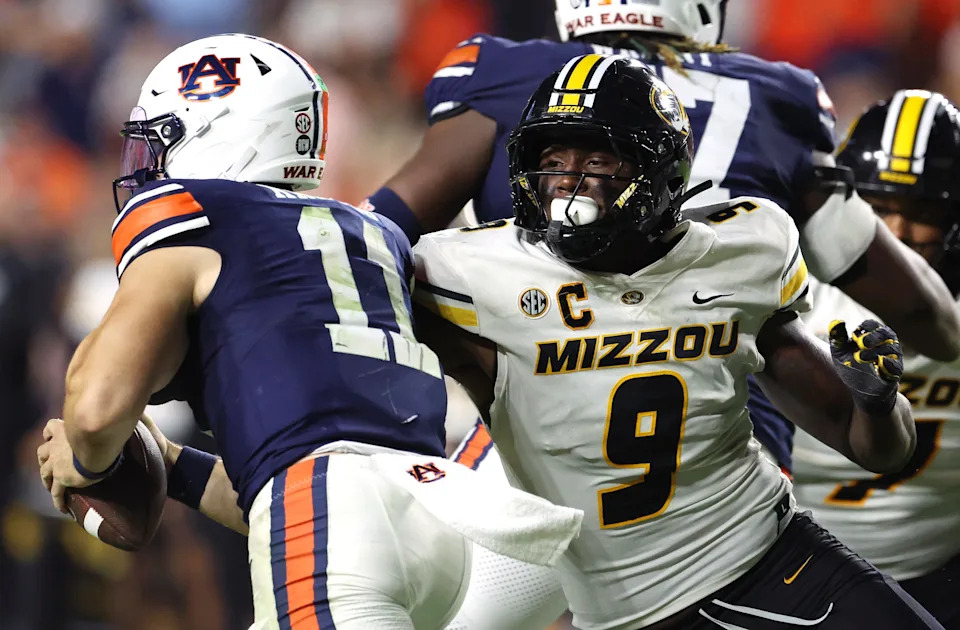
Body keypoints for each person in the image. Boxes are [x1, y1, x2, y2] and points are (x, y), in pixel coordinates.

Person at [34, 33, 582, 630]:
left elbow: (92, 408)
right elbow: (304, 485)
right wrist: (174, 463)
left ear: (218, 130)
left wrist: (86, 461)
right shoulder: (374, 237)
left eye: (161, 142)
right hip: (440, 521)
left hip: (336, 520)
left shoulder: (196, 216)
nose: (146, 169)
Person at [413, 55, 942, 630]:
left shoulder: (738, 251)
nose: (567, 180)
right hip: (628, 615)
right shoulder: (470, 274)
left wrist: (876, 401)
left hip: (778, 565)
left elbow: (880, 450)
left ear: (657, 169)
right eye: (552, 160)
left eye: (596, 158)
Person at [367, 0, 960, 473]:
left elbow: (365, 241)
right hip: (727, 462)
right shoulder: (777, 102)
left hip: (546, 435)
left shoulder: (506, 75)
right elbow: (927, 316)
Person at [792, 90, 960, 630]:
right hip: (793, 571)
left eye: (925, 213)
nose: (898, 234)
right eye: (877, 208)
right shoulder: (791, 287)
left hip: (940, 572)